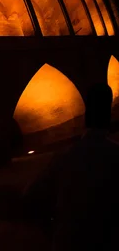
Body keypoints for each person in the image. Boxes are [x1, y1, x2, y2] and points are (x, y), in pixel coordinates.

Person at [23, 83, 119, 250]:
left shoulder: (64, 157)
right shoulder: (114, 155)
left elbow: (30, 200)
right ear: (108, 116)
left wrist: (53, 230)